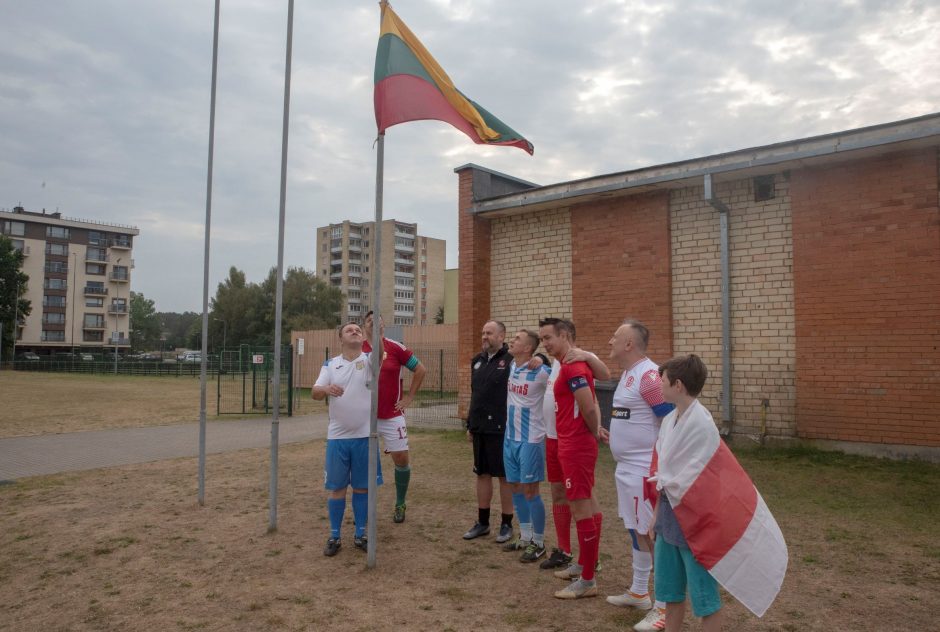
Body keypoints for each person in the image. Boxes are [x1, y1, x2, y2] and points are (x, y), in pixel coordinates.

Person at [652, 354, 787, 631]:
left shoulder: (701, 424)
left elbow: (700, 478)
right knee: (671, 592)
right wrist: (657, 514)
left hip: (698, 521)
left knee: (705, 598)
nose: (659, 386)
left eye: (662, 381)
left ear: (678, 385)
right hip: (670, 516)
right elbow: (666, 477)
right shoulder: (670, 420)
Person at [600, 319, 673, 632]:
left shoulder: (649, 376)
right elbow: (629, 415)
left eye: (616, 337)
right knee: (635, 529)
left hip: (644, 471)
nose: (610, 342)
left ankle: (665, 606)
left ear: (630, 344)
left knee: (652, 534)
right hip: (626, 468)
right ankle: (639, 592)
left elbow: (670, 420)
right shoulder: (629, 373)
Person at [539, 321, 611, 572]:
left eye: (548, 338)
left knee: (583, 499)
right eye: (542, 339)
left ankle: (589, 563)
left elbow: (592, 399)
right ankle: (568, 553)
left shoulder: (576, 361)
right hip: (555, 436)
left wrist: (594, 429)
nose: (545, 344)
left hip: (574, 440)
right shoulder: (556, 362)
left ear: (565, 335)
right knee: (563, 493)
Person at [311, 322, 382, 557]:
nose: (354, 331)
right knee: (337, 488)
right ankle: (334, 535)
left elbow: (380, 353)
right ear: (340, 338)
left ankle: (360, 533)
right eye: (349, 330)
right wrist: (326, 389)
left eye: (358, 330)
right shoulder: (331, 365)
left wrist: (375, 331)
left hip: (365, 437)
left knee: (362, 488)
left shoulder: (370, 360)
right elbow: (314, 392)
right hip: (337, 438)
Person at [363, 310, 427, 524]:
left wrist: (409, 397)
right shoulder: (358, 349)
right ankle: (363, 507)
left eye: (378, 320)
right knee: (362, 462)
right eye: (370, 320)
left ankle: (400, 503)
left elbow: (420, 369)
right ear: (365, 326)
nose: (374, 323)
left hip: (392, 415)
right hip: (365, 418)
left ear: (384, 325)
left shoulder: (395, 347)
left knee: (401, 459)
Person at [501, 329, 552, 562]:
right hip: (510, 438)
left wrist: (542, 358)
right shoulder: (512, 365)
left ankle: (539, 542)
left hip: (531, 439)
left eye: (518, 339)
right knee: (515, 487)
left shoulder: (541, 372)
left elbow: (559, 376)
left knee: (531, 491)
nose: (512, 341)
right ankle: (525, 535)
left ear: (529, 348)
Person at [463, 320, 516, 543]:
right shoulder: (477, 361)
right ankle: (482, 522)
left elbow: (539, 363)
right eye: (483, 333)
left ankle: (506, 524)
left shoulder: (511, 361)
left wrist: (536, 360)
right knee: (482, 474)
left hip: (501, 428)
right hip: (479, 427)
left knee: (504, 476)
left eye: (490, 333)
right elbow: (476, 394)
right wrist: (470, 424)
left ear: (502, 336)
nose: (485, 336)